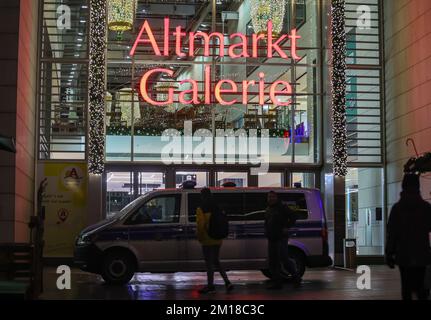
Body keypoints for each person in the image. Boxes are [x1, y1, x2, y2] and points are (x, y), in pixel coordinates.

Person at [385, 173, 431, 300]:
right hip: (422, 254)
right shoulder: (426, 208)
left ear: (403, 186)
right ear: (418, 186)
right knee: (421, 286)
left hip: (403, 255)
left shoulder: (397, 209)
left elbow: (392, 233)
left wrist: (389, 253)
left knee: (406, 288)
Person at [196, 188, 233, 294]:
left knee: (209, 264)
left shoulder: (201, 208)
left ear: (202, 196)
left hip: (207, 240)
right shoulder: (217, 206)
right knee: (216, 261)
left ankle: (210, 285)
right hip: (218, 239)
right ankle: (227, 282)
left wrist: (200, 237)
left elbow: (200, 225)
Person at [265, 191, 301, 290]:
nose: (270, 198)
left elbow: (294, 217)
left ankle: (296, 277)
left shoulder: (282, 207)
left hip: (281, 237)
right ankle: (277, 282)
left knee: (284, 259)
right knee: (272, 262)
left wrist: (287, 227)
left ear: (276, 197)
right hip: (272, 238)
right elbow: (267, 222)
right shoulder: (268, 209)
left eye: (272, 197)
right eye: (269, 197)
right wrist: (267, 233)